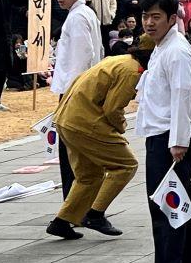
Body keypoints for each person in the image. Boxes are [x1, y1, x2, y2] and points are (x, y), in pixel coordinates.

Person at [45, 38, 154, 240]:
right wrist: (120, 127)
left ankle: (61, 222)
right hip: (85, 121)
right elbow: (113, 108)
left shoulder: (120, 59)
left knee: (89, 175)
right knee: (126, 165)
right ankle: (95, 214)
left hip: (66, 119)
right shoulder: (132, 71)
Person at [133, 0, 191, 263]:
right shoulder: (162, 46)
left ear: (172, 19)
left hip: (170, 138)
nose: (149, 23)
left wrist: (178, 140)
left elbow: (183, 96)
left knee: (165, 202)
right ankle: (189, 255)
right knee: (181, 192)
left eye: (156, 17)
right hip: (161, 132)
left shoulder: (176, 50)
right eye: (145, 16)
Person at [51, 0, 105, 198]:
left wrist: (74, 91)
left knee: (72, 151)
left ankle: (74, 203)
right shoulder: (83, 13)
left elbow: (84, 54)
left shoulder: (78, 17)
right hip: (79, 88)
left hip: (76, 90)